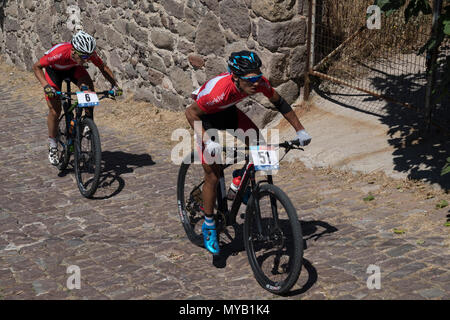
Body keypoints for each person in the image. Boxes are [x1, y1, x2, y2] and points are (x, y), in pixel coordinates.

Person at [185, 50, 312, 255]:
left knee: (259, 145)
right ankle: (209, 226)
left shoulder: (258, 81)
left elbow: (279, 103)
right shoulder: (217, 91)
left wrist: (300, 129)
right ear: (235, 77)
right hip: (205, 116)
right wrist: (208, 141)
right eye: (250, 79)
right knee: (213, 175)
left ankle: (239, 180)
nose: (256, 83)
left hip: (226, 111)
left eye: (257, 76)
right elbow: (190, 112)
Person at [32, 30, 123, 165]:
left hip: (73, 68)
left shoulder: (87, 53)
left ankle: (87, 122)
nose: (86, 60)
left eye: (88, 57)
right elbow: (36, 67)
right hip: (54, 71)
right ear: (74, 51)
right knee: (55, 111)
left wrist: (115, 85)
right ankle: (52, 145)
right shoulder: (58, 53)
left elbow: (102, 67)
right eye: (83, 57)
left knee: (88, 90)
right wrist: (46, 86)